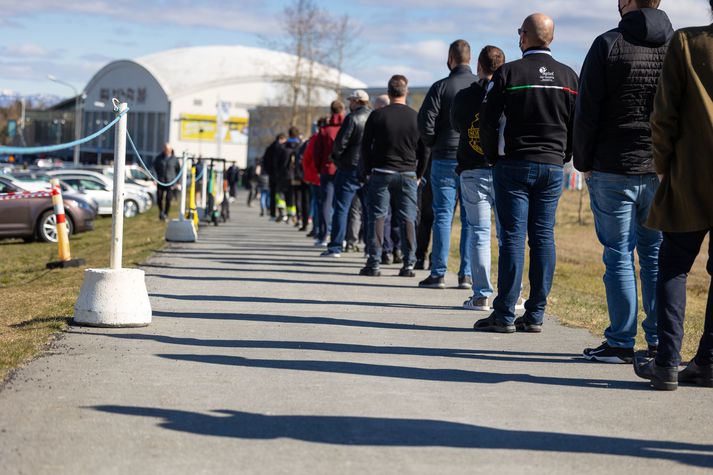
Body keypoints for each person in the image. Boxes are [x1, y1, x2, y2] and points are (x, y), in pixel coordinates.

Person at [575, 0, 672, 363]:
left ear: (628, 2)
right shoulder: (676, 43)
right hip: (660, 166)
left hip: (612, 164)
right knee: (655, 256)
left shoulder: (608, 43)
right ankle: (662, 340)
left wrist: (582, 161)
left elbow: (587, 109)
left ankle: (620, 341)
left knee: (618, 255)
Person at [474, 13, 578, 333]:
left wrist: (493, 157)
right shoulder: (569, 77)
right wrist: (563, 156)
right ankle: (535, 314)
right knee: (544, 237)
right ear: (552, 38)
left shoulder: (508, 72)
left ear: (524, 37)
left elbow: (487, 121)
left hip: (514, 164)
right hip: (551, 165)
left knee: (513, 238)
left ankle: (504, 313)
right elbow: (577, 126)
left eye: (520, 32)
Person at [634, 9, 713, 390]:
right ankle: (708, 363)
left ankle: (666, 363)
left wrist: (663, 166)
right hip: (690, 172)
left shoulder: (686, 40)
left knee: (673, 264)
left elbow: (663, 114)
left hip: (691, 173)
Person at [418, 40, 478, 290]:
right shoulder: (481, 85)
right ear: (470, 58)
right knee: (469, 217)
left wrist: (434, 142)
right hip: (473, 157)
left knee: (443, 214)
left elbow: (425, 121)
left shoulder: (440, 87)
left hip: (443, 156)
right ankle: (465, 274)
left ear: (450, 58)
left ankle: (439, 272)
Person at [451, 45, 507, 311]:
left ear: (478, 66)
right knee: (509, 235)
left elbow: (457, 125)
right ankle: (511, 294)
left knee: (480, 233)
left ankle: (482, 294)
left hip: (473, 168)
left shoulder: (464, 96)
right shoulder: (508, 92)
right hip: (504, 170)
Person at [359, 75, 429, 277]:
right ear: (406, 93)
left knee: (378, 217)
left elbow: (365, 147)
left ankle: (374, 263)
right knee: (408, 218)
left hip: (381, 172)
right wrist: (419, 174)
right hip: (407, 173)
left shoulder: (377, 116)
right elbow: (425, 150)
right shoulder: (416, 117)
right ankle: (408, 264)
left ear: (389, 92)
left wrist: (368, 170)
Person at [321, 90, 371, 258]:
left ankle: (335, 246)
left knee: (341, 208)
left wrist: (336, 158)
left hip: (349, 167)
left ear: (357, 101)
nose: (350, 104)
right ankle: (370, 248)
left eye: (351, 101)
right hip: (368, 168)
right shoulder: (374, 116)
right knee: (368, 209)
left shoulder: (352, 118)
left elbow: (340, 144)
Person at [313, 102, 345, 245]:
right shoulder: (346, 127)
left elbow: (317, 153)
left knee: (326, 203)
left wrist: (320, 169)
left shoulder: (325, 131)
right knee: (343, 204)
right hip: (344, 169)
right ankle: (343, 237)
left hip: (327, 169)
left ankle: (324, 235)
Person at [152, 143, 181, 221]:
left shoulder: (175, 159)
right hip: (160, 181)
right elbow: (154, 168)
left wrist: (178, 182)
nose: (166, 151)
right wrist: (154, 178)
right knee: (159, 198)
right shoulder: (158, 158)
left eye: (168, 150)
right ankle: (161, 212)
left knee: (168, 199)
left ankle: (166, 213)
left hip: (171, 182)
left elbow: (178, 171)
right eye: (165, 149)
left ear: (171, 150)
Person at [262, 133, 287, 219]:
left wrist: (269, 171)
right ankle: (281, 212)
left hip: (271, 174)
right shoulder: (283, 148)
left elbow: (264, 161)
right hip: (280, 175)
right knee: (280, 193)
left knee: (272, 193)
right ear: (282, 139)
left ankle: (273, 213)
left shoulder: (269, 148)